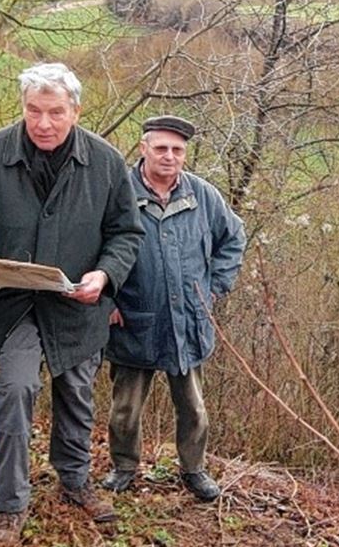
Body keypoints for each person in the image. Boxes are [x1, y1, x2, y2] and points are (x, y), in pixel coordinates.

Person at [0, 62, 144, 544]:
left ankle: (75, 481)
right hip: (11, 303)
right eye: (34, 110)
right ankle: (9, 505)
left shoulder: (104, 162)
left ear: (76, 111)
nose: (43, 123)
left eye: (55, 112)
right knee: (15, 390)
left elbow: (125, 233)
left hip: (78, 305)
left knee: (77, 395)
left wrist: (105, 274)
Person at [102, 115, 246, 502]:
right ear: (143, 148)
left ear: (185, 154)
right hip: (132, 318)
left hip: (188, 321)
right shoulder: (118, 194)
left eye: (177, 150)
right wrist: (106, 298)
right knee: (125, 409)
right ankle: (124, 467)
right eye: (161, 148)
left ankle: (194, 469)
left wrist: (214, 287)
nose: (169, 156)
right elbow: (91, 247)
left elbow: (234, 238)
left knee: (194, 407)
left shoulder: (204, 196)